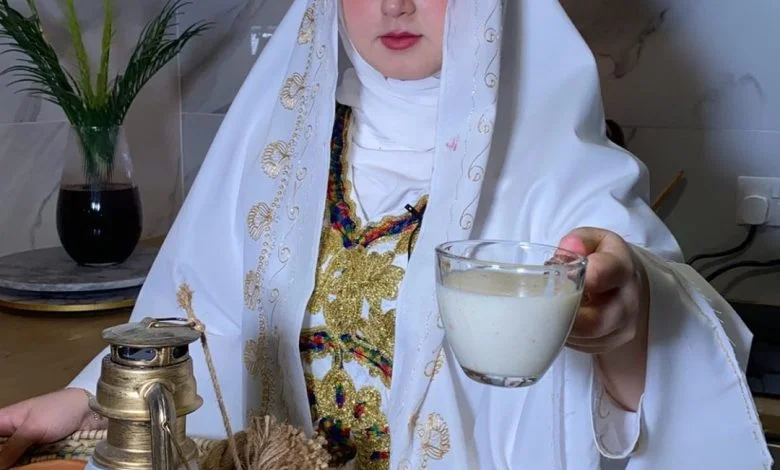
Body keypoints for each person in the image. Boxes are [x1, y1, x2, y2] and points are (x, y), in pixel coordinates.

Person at [0, 0, 772, 468]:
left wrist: (627, 324)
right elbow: (200, 316)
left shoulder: (557, 174)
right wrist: (86, 400)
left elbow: (652, 337)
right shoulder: (274, 155)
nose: (394, 5)